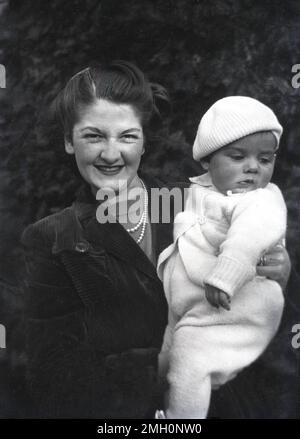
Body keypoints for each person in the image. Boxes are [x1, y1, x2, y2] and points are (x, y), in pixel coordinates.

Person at [21, 63, 291, 418]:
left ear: (144, 142)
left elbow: (275, 330)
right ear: (70, 141)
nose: (111, 153)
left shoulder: (198, 202)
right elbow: (52, 376)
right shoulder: (52, 240)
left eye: (127, 136)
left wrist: (282, 279)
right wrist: (164, 365)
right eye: (93, 136)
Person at [157, 96, 287, 419]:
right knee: (171, 363)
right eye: (238, 156)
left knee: (191, 360)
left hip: (236, 302)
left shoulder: (260, 200)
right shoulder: (197, 192)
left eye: (265, 159)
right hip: (192, 307)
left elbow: (249, 238)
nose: (253, 167)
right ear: (206, 161)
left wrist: (225, 276)